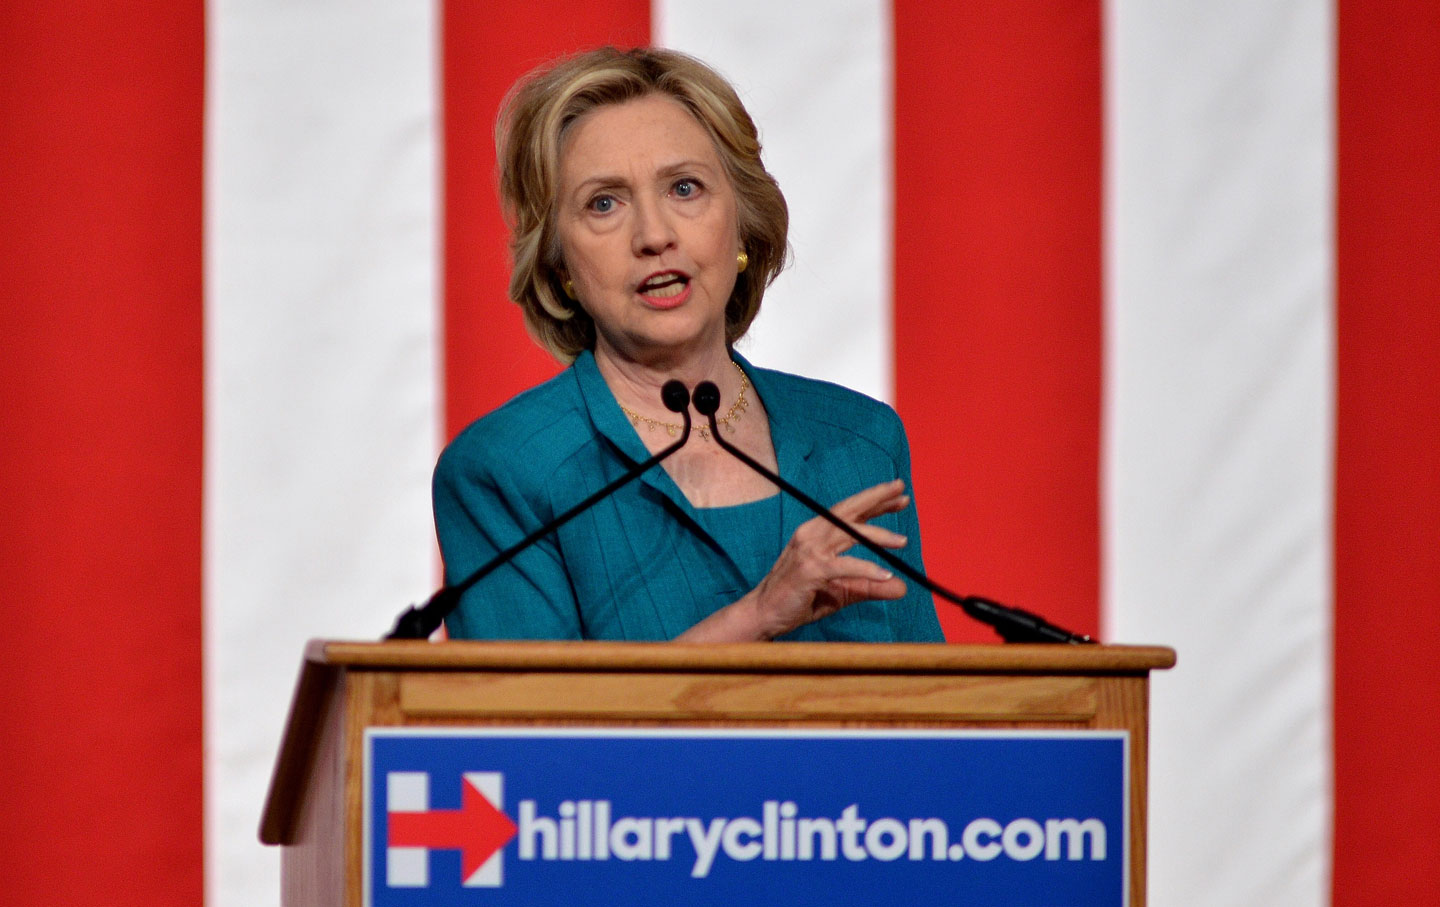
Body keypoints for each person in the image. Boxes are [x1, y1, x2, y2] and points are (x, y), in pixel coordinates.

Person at [434, 47, 943, 643]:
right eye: (604, 203)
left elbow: (929, 713)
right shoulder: (506, 471)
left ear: (742, 226)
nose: (654, 235)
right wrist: (753, 618)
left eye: (684, 188)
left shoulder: (858, 443)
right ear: (559, 260)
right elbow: (527, 734)